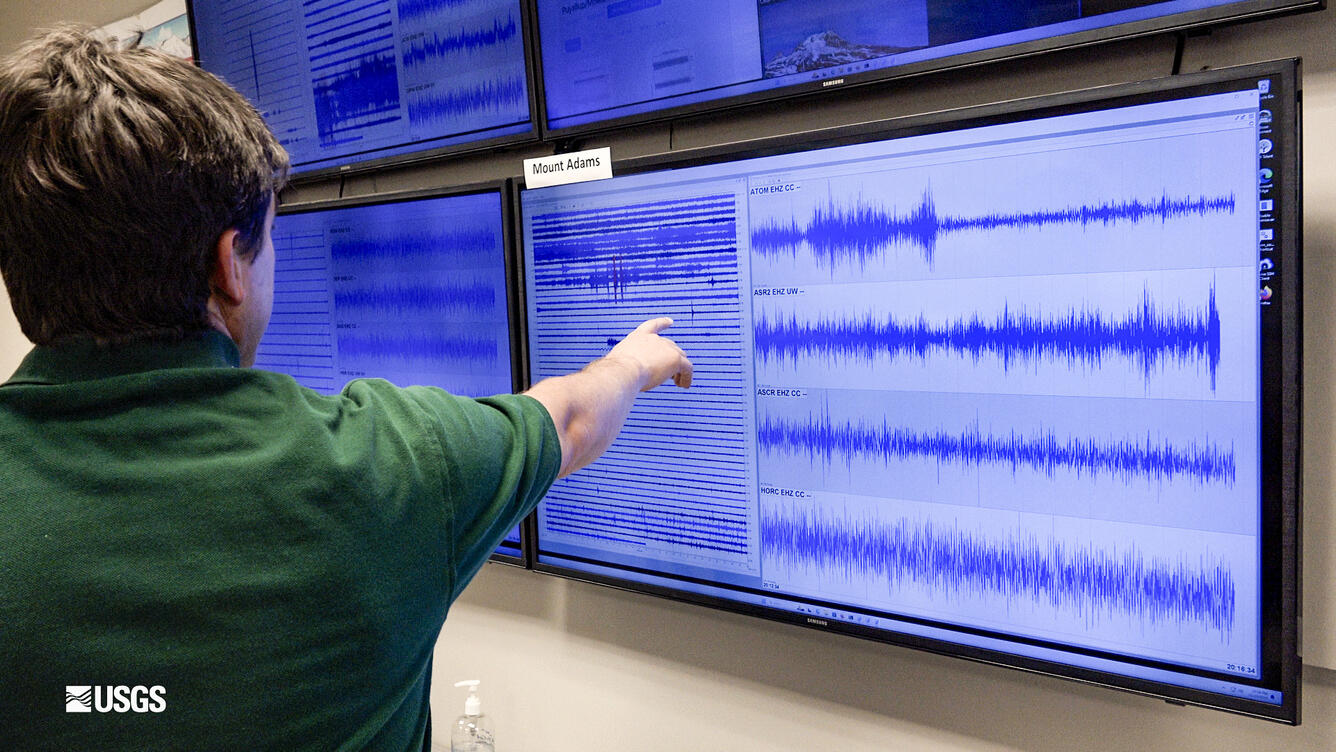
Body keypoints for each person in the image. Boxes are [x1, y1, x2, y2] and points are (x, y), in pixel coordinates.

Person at [0, 27, 692, 751]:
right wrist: (633, 362)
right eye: (266, 240)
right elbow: (574, 421)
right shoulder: (389, 461)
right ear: (227, 267)